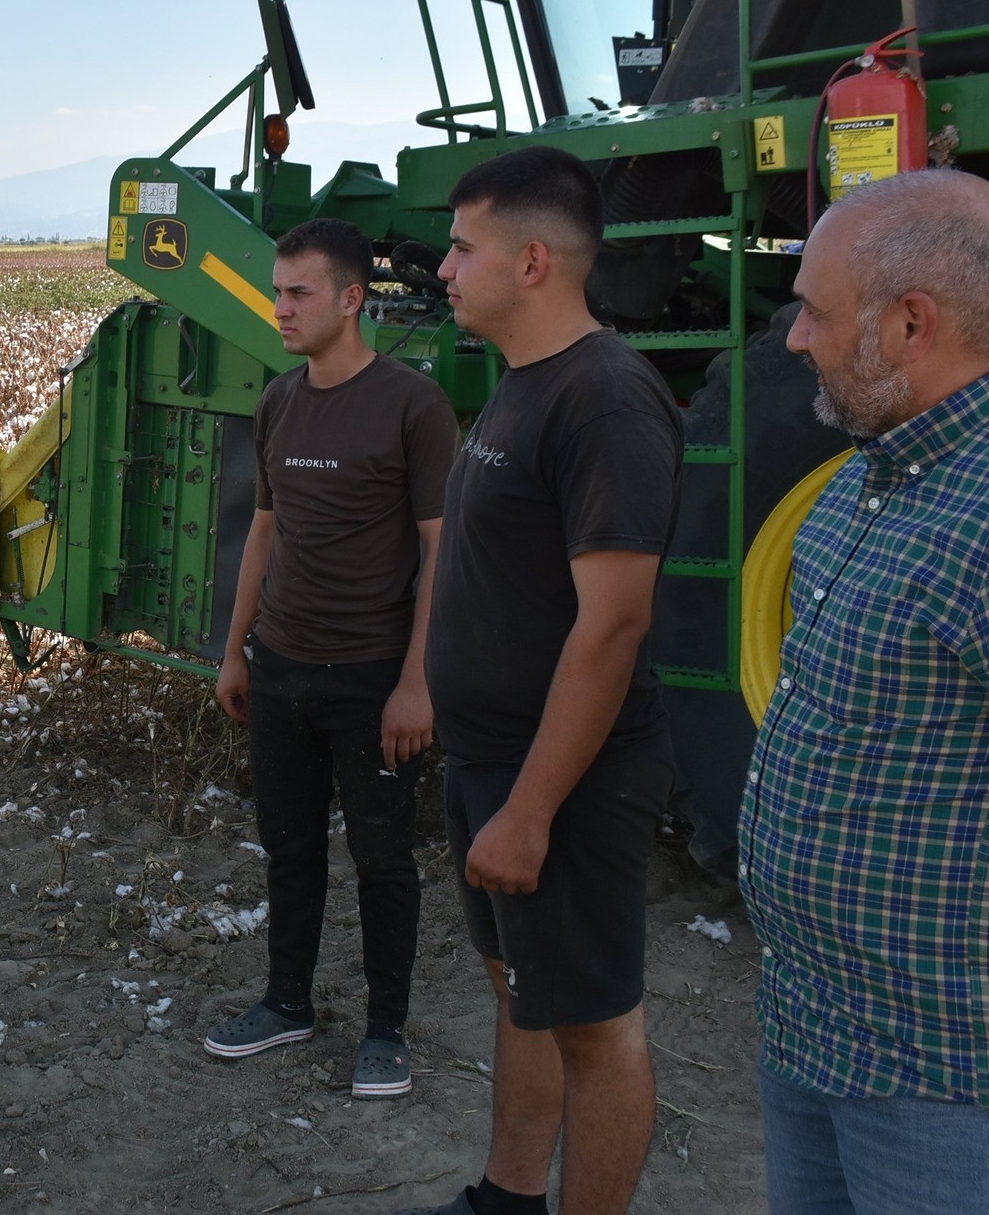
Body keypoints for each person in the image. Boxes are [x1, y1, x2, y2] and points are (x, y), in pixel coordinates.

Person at [398, 147, 682, 1215]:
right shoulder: (524, 384)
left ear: (529, 262)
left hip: (560, 778)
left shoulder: (604, 400)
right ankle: (506, 1199)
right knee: (523, 997)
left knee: (593, 1024)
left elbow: (610, 628)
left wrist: (528, 809)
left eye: (461, 247)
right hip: (490, 760)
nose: (441, 268)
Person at [742, 167, 989, 1210]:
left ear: (908, 325)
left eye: (812, 312)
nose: (793, 337)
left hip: (935, 1078)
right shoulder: (854, 485)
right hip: (804, 1022)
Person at [207, 218, 458, 1100]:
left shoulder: (412, 406)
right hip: (280, 669)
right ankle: (287, 1003)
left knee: (384, 858)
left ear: (352, 299)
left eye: (298, 292)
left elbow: (440, 554)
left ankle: (386, 1029)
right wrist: (236, 651)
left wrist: (417, 681)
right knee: (289, 847)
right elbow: (262, 536)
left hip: (371, 678)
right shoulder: (278, 401)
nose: (280, 307)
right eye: (278, 291)